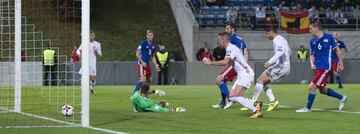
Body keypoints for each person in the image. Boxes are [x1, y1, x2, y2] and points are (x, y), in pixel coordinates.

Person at [204, 32, 263, 119]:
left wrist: (211, 62)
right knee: (232, 97)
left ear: (224, 40)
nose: (218, 42)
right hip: (243, 74)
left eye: (219, 40)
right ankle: (255, 104)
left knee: (235, 96)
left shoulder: (231, 48)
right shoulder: (231, 48)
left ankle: (256, 111)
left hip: (245, 74)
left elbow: (225, 62)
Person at [296, 21, 347, 113]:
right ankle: (342, 97)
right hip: (318, 68)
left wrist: (341, 63)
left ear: (316, 28)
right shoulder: (312, 41)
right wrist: (312, 63)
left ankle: (307, 108)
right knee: (323, 90)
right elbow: (311, 54)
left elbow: (338, 51)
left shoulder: (329, 37)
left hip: (325, 67)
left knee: (311, 87)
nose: (310, 30)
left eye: (311, 28)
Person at [240, 27, 291, 112]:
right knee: (261, 80)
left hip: (281, 67)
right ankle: (273, 101)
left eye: (266, 33)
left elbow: (280, 52)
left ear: (271, 32)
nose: (266, 36)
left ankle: (253, 103)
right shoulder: (282, 38)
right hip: (281, 65)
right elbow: (289, 51)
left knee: (260, 81)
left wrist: (269, 62)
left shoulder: (276, 40)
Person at [212, 23, 248, 109]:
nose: (226, 30)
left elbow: (232, 53)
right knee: (222, 81)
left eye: (227, 29)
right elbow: (245, 52)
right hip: (240, 64)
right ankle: (223, 102)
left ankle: (230, 99)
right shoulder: (241, 39)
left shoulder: (231, 39)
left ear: (233, 29)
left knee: (218, 80)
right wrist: (245, 64)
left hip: (236, 64)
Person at [132, 30, 160, 95]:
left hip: (147, 64)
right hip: (141, 63)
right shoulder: (143, 43)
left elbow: (152, 57)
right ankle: (134, 94)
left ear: (153, 36)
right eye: (149, 35)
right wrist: (142, 62)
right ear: (146, 36)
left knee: (150, 80)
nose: (150, 37)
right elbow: (137, 54)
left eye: (151, 35)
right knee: (143, 80)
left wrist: (156, 66)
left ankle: (145, 92)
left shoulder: (153, 45)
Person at [77, 32, 102, 96]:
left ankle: (91, 87)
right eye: (90, 35)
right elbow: (78, 50)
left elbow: (99, 55)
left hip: (93, 63)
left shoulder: (97, 44)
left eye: (92, 35)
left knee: (93, 78)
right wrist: (80, 55)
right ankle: (87, 90)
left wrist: (95, 51)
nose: (91, 36)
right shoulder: (85, 43)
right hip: (86, 63)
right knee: (85, 76)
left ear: (94, 36)